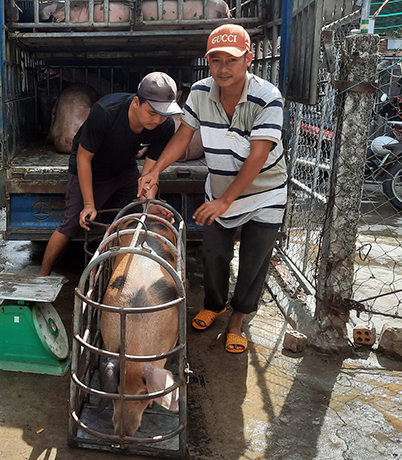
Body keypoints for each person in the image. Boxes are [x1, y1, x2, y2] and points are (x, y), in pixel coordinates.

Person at [138, 24, 287, 353]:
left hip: (265, 194)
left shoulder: (268, 98)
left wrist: (225, 201)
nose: (222, 68)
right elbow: (183, 136)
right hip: (219, 190)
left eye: (231, 60)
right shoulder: (201, 93)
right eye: (215, 59)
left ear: (249, 59)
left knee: (253, 261)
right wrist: (156, 171)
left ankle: (238, 319)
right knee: (214, 254)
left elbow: (259, 155)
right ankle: (215, 304)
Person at [39, 72, 183, 276]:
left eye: (164, 113)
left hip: (124, 170)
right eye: (152, 112)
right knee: (70, 224)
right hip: (91, 168)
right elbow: (83, 158)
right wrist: (89, 204)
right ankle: (41, 277)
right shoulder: (106, 111)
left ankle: (114, 275)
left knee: (128, 219)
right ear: (136, 102)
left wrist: (148, 205)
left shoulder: (164, 126)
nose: (159, 119)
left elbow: (150, 174)